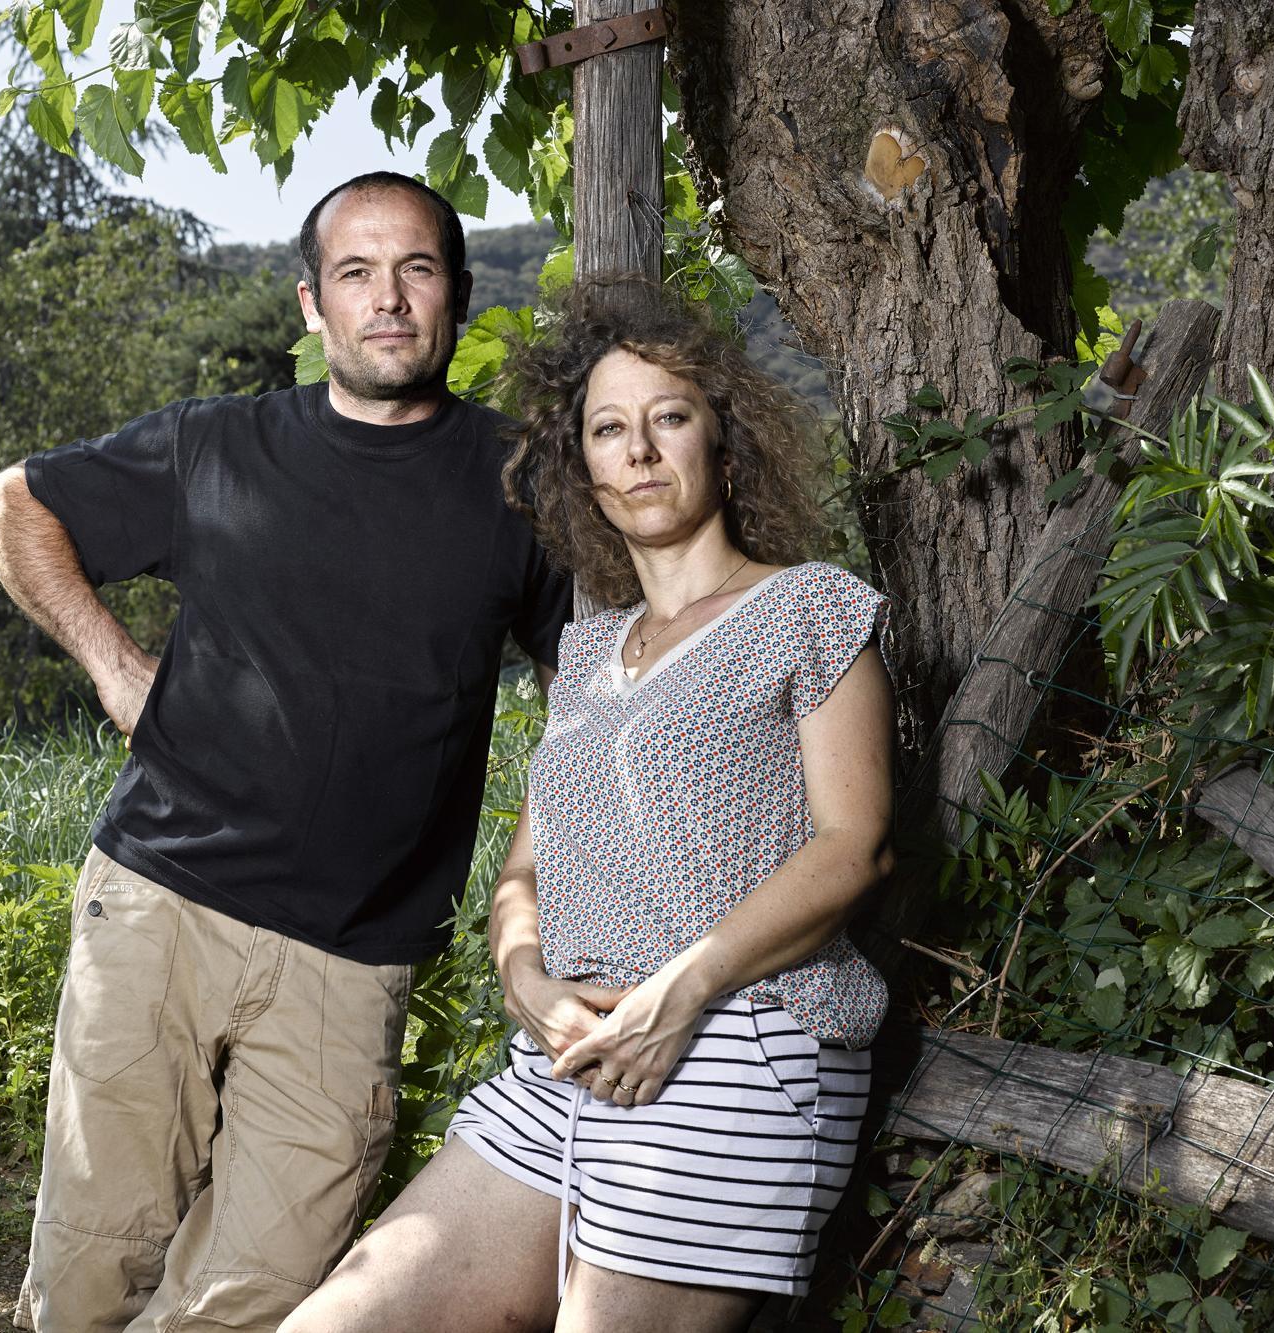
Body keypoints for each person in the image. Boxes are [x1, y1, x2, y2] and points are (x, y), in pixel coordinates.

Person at [0, 172, 572, 1333]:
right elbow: (13, 506)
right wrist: (114, 665)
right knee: (90, 1269)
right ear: (313, 305)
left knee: (255, 1296)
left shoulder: (522, 483)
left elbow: (588, 697)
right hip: (161, 903)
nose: (387, 299)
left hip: (354, 958)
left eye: (416, 269)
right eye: (357, 273)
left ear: (454, 291)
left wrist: (536, 884)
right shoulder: (217, 446)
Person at [279, 286, 897, 1333]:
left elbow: (857, 845)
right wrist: (524, 978)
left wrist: (681, 988)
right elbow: (525, 871)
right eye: (609, 429)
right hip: (558, 1066)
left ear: (724, 442)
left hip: (733, 1047)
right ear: (586, 470)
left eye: (669, 418)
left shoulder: (808, 607)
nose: (641, 451)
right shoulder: (587, 651)